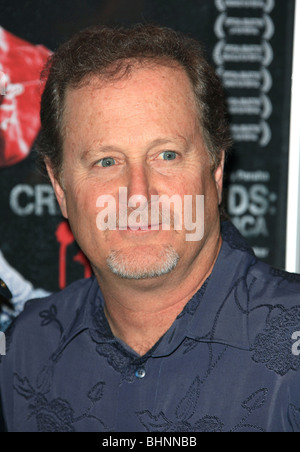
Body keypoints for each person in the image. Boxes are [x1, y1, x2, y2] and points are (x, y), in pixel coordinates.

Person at [0, 24, 299, 433]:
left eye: (167, 155)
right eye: (106, 161)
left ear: (215, 171)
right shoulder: (23, 350)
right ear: (60, 188)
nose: (138, 195)